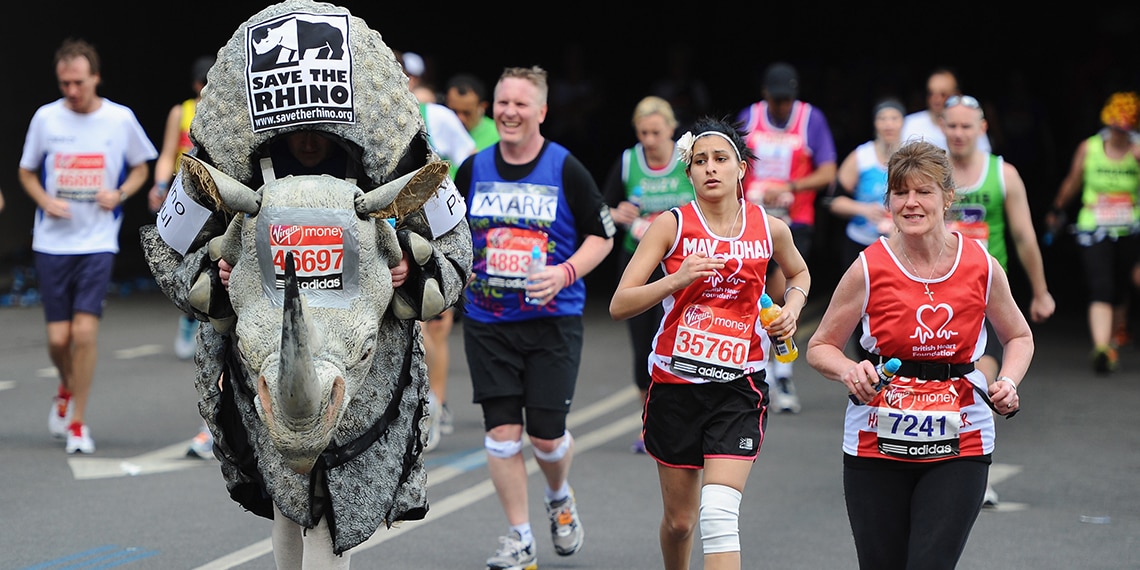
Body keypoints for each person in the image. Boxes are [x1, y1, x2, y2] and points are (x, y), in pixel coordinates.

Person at [806, 140, 1033, 570]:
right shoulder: (869, 267)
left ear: (947, 197)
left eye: (923, 191)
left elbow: (1019, 336)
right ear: (888, 200)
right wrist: (851, 370)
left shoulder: (981, 265)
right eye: (900, 193)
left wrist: (1008, 381)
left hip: (960, 440)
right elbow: (820, 347)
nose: (911, 203)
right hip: (877, 442)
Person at [610, 117, 810, 570]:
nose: (710, 168)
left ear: (741, 168)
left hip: (739, 386)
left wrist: (792, 310)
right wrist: (676, 279)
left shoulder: (768, 227)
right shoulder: (671, 225)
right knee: (681, 522)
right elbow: (620, 303)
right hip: (675, 387)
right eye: (700, 161)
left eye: (721, 159)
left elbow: (799, 273)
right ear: (689, 172)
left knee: (719, 513)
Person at [453, 65, 615, 570]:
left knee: (545, 434)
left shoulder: (565, 168)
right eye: (503, 102)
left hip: (552, 322)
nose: (509, 112)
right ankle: (520, 539)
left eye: (521, 104)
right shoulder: (472, 168)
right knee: (501, 434)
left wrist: (565, 273)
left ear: (541, 111)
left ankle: (559, 496)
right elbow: (445, 233)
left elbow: (603, 235)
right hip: (487, 321)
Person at [18, 38, 158, 454]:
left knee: (83, 332)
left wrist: (120, 193)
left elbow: (140, 167)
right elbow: (26, 172)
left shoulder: (119, 119)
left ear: (95, 77)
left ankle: (77, 422)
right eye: (64, 84)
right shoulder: (46, 119)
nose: (71, 91)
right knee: (59, 339)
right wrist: (45, 201)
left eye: (78, 82)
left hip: (97, 241)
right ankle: (66, 385)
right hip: (52, 243)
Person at [942, 93, 1054, 507]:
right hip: (934, 292)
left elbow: (1024, 236)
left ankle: (976, 474)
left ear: (982, 129)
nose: (957, 133)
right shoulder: (933, 174)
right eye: (951, 126)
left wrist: (1040, 292)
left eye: (966, 126)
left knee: (979, 379)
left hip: (984, 296)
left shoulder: (1003, 174)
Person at [736, 61, 837, 414]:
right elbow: (732, 162)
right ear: (765, 96)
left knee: (779, 291)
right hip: (752, 219)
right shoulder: (749, 116)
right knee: (753, 291)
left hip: (795, 220)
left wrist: (790, 187)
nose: (782, 106)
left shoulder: (811, 119)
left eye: (787, 100)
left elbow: (828, 170)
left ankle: (782, 368)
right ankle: (761, 367)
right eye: (776, 100)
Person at [601, 95, 695, 454]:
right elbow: (602, 209)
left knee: (681, 342)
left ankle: (684, 419)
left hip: (683, 265)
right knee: (644, 347)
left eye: (656, 132)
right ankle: (649, 423)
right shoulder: (628, 161)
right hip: (638, 263)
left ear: (672, 129)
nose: (649, 140)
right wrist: (618, 213)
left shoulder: (688, 161)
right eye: (643, 133)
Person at [149, 54, 216, 458]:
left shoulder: (233, 116)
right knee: (187, 275)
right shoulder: (184, 113)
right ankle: (189, 318)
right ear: (196, 86)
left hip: (221, 210)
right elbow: (165, 153)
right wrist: (161, 183)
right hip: (188, 202)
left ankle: (217, 427)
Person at [1046, 91, 1140, 373]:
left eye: (1125, 130)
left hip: (1129, 229)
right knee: (1101, 286)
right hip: (1093, 227)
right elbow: (1073, 181)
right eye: (1115, 128)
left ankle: (1111, 343)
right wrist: (1057, 209)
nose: (1119, 135)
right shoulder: (1090, 148)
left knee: (1120, 287)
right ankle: (1101, 347)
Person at [901, 67, 991, 153]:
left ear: (957, 94)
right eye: (931, 94)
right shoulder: (909, 124)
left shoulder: (972, 124)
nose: (936, 100)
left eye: (943, 94)